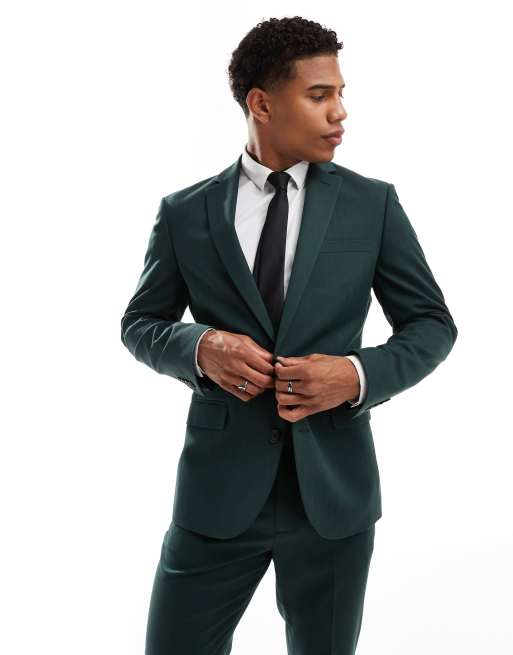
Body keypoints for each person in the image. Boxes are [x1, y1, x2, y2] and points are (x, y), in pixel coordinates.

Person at [120, 16, 458, 655]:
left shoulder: (372, 204)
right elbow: (140, 324)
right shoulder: (185, 213)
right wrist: (200, 347)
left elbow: (432, 325)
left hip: (333, 498)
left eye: (341, 94)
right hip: (216, 497)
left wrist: (354, 376)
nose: (340, 112)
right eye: (319, 95)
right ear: (262, 103)